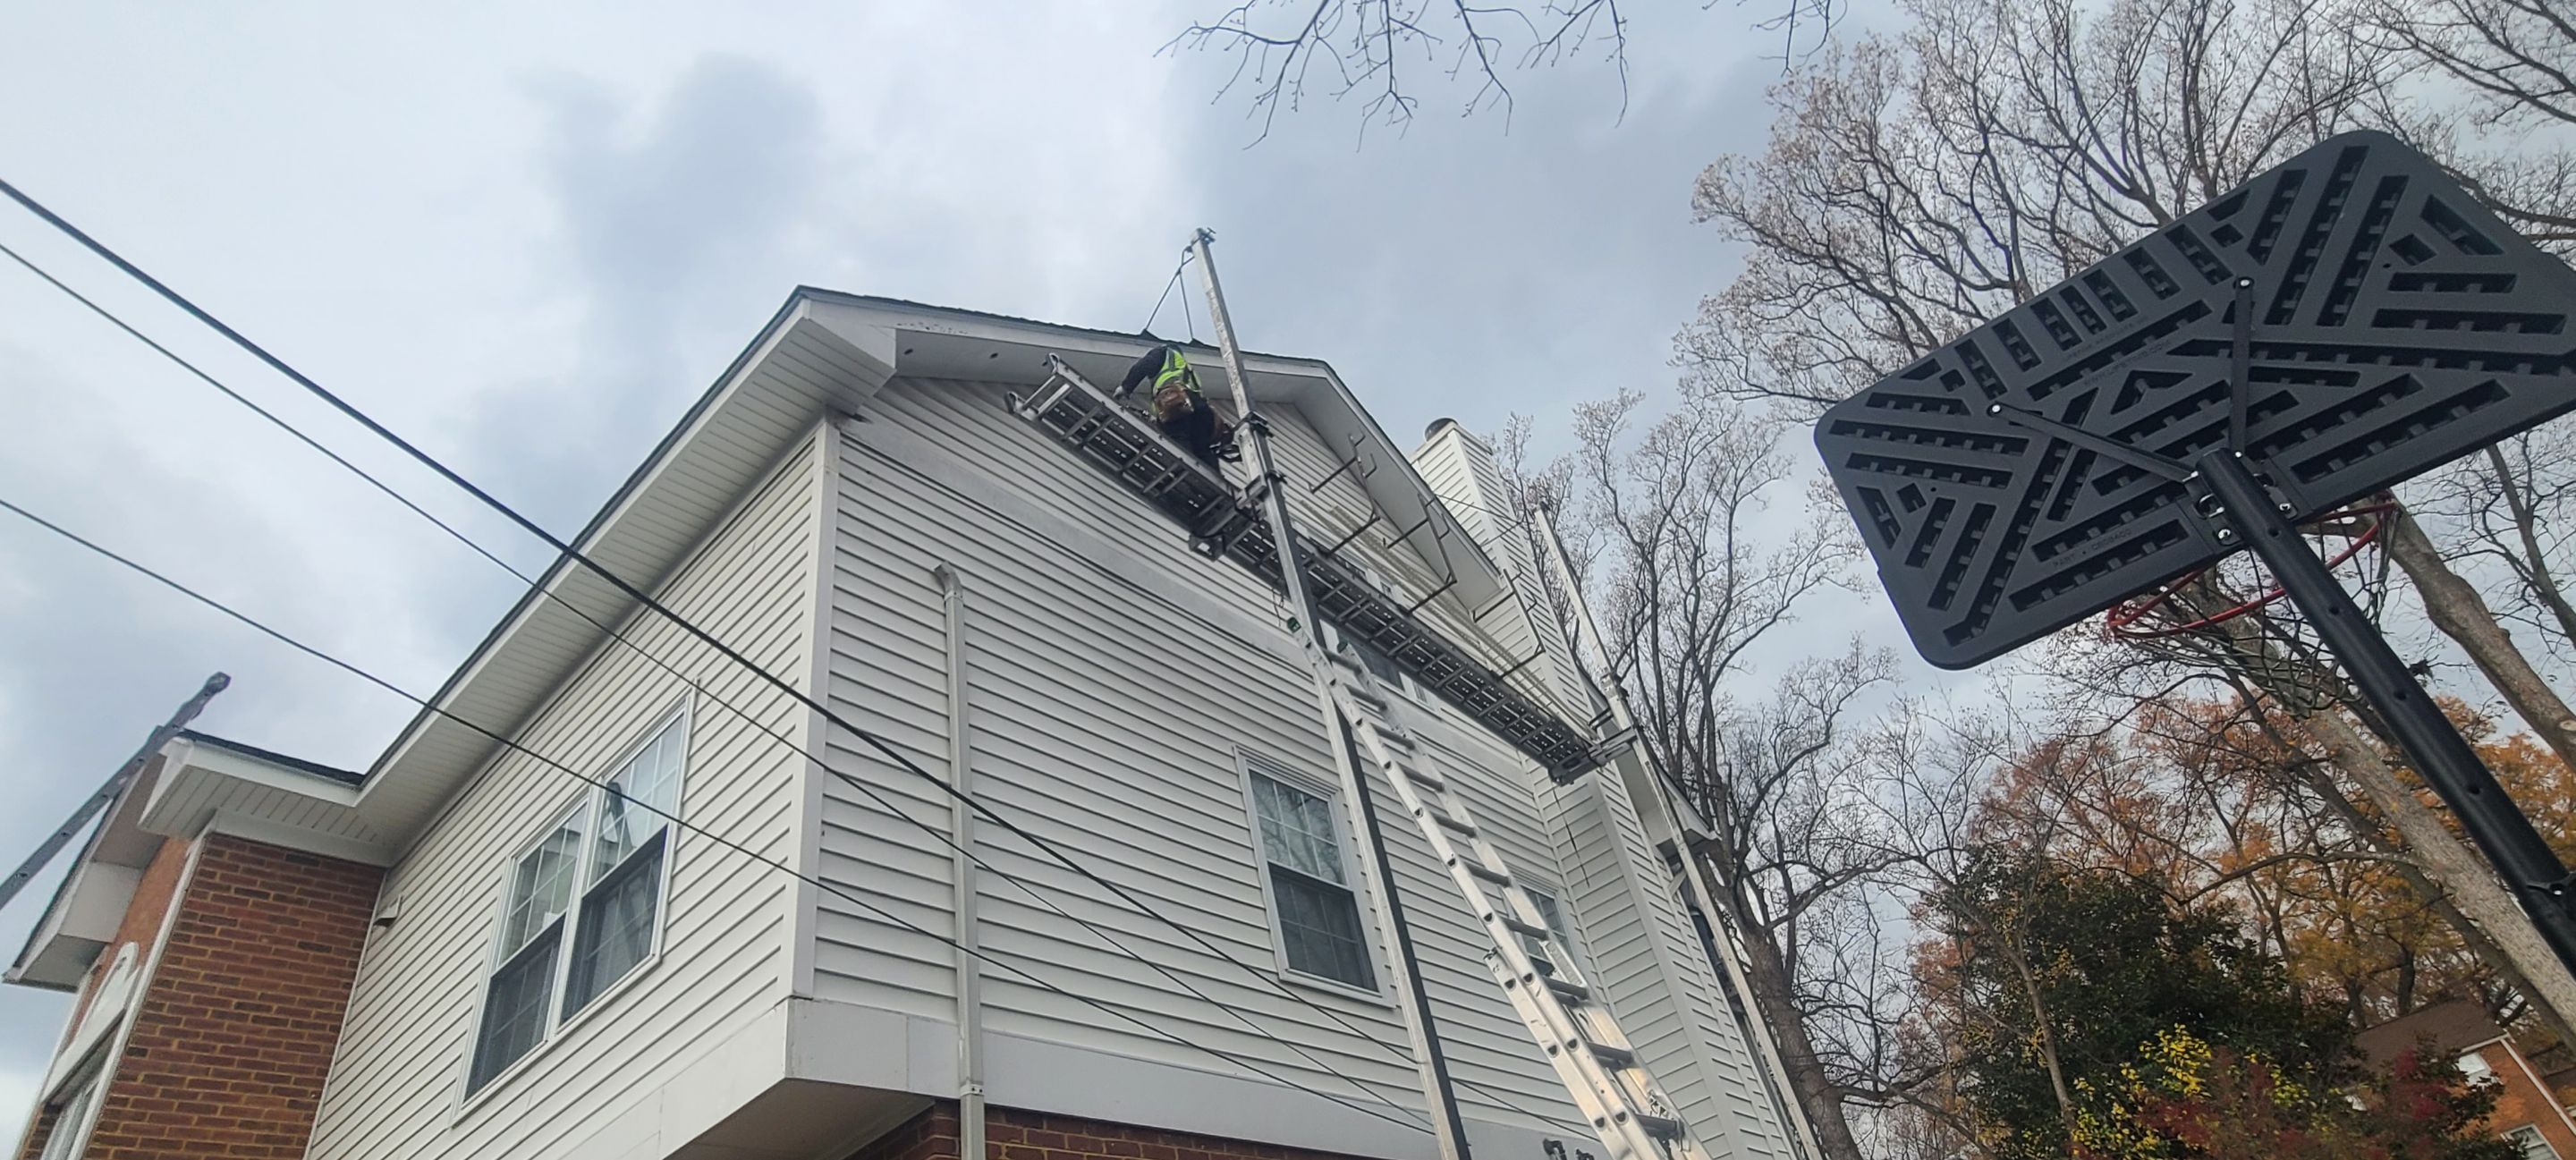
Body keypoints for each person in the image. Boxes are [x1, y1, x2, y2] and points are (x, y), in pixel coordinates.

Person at [1118, 343, 1233, 467]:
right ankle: (1214, 479)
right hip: (1200, 410)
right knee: (1201, 448)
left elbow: (1143, 366)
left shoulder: (1164, 352)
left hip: (1176, 405)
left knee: (1179, 443)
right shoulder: (1186, 370)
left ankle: (1186, 473)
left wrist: (1125, 387)